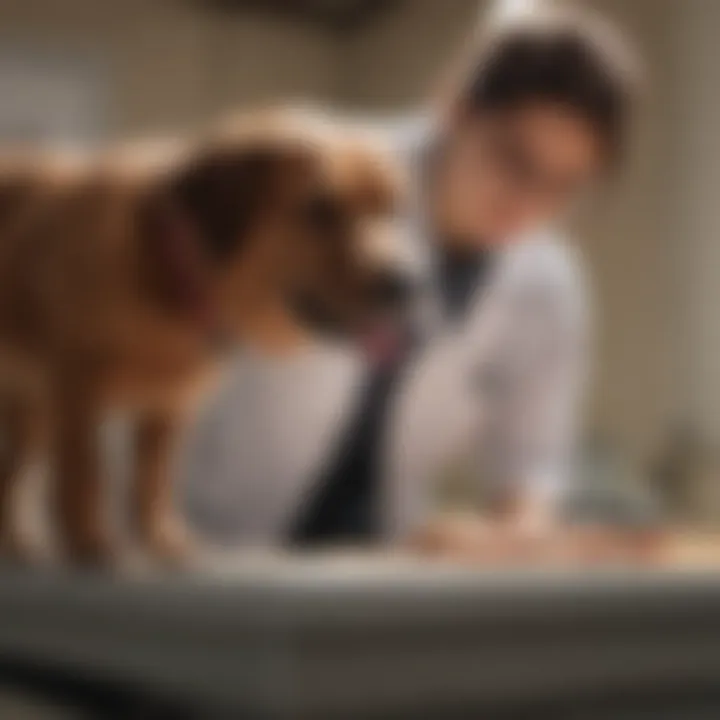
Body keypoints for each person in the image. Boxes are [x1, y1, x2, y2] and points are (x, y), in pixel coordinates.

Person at [180, 7, 641, 554]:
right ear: (457, 108)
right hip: (204, 532)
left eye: (565, 183)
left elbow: (530, 469)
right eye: (516, 159)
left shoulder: (548, 285)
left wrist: (510, 537)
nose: (530, 200)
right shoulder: (315, 174)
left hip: (375, 564)